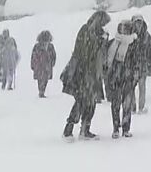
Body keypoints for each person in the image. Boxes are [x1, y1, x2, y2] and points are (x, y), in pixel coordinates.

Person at [61, 10, 110, 141]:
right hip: (83, 72)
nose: (103, 26)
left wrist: (103, 41)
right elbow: (82, 51)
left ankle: (85, 129)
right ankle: (69, 129)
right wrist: (98, 42)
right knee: (81, 101)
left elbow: (102, 54)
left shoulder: (101, 34)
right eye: (102, 23)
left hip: (94, 73)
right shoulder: (86, 30)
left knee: (91, 103)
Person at [105, 20, 137, 139]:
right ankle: (115, 128)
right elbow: (106, 59)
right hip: (114, 77)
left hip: (128, 77)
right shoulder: (113, 42)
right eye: (122, 28)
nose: (123, 30)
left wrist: (134, 74)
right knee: (115, 103)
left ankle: (126, 128)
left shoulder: (133, 44)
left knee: (127, 104)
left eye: (125, 28)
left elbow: (136, 61)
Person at [128, 15, 151, 114]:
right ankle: (133, 107)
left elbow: (150, 51)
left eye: (140, 22)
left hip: (142, 65)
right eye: (136, 22)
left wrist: (150, 62)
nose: (138, 24)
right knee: (132, 88)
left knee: (141, 88)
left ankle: (140, 107)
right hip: (133, 65)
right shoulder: (131, 35)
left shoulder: (147, 36)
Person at [30, 30, 56, 98]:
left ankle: (41, 91)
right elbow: (54, 56)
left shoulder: (38, 46)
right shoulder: (50, 46)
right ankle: (42, 91)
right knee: (44, 79)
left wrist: (33, 64)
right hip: (45, 65)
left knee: (41, 79)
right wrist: (52, 63)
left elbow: (33, 56)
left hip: (39, 65)